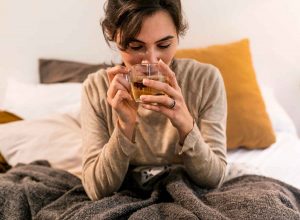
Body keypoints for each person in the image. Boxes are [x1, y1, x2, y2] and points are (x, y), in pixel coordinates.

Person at [81, 0, 227, 201]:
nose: (151, 60)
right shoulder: (96, 88)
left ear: (178, 34)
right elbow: (97, 190)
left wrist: (186, 125)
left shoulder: (205, 80)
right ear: (114, 37)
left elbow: (215, 178)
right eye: (135, 46)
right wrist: (124, 126)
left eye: (164, 45)